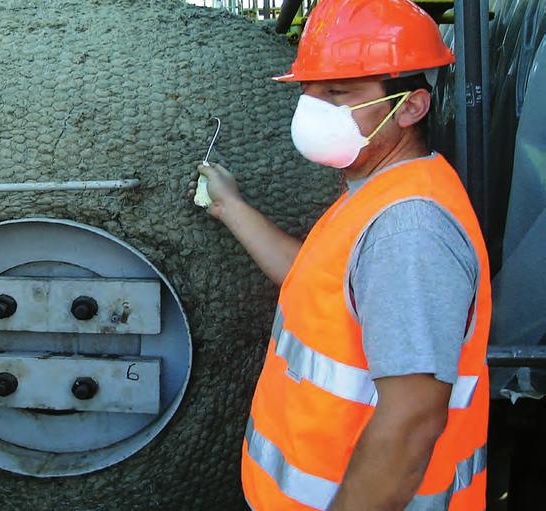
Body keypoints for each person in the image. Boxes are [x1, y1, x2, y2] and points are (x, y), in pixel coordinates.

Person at [190, 1, 490, 509]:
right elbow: (313, 280)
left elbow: (412, 418)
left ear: (411, 106)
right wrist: (231, 208)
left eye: (339, 93)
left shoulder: (408, 230)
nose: (314, 109)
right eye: (309, 92)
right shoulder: (377, 192)